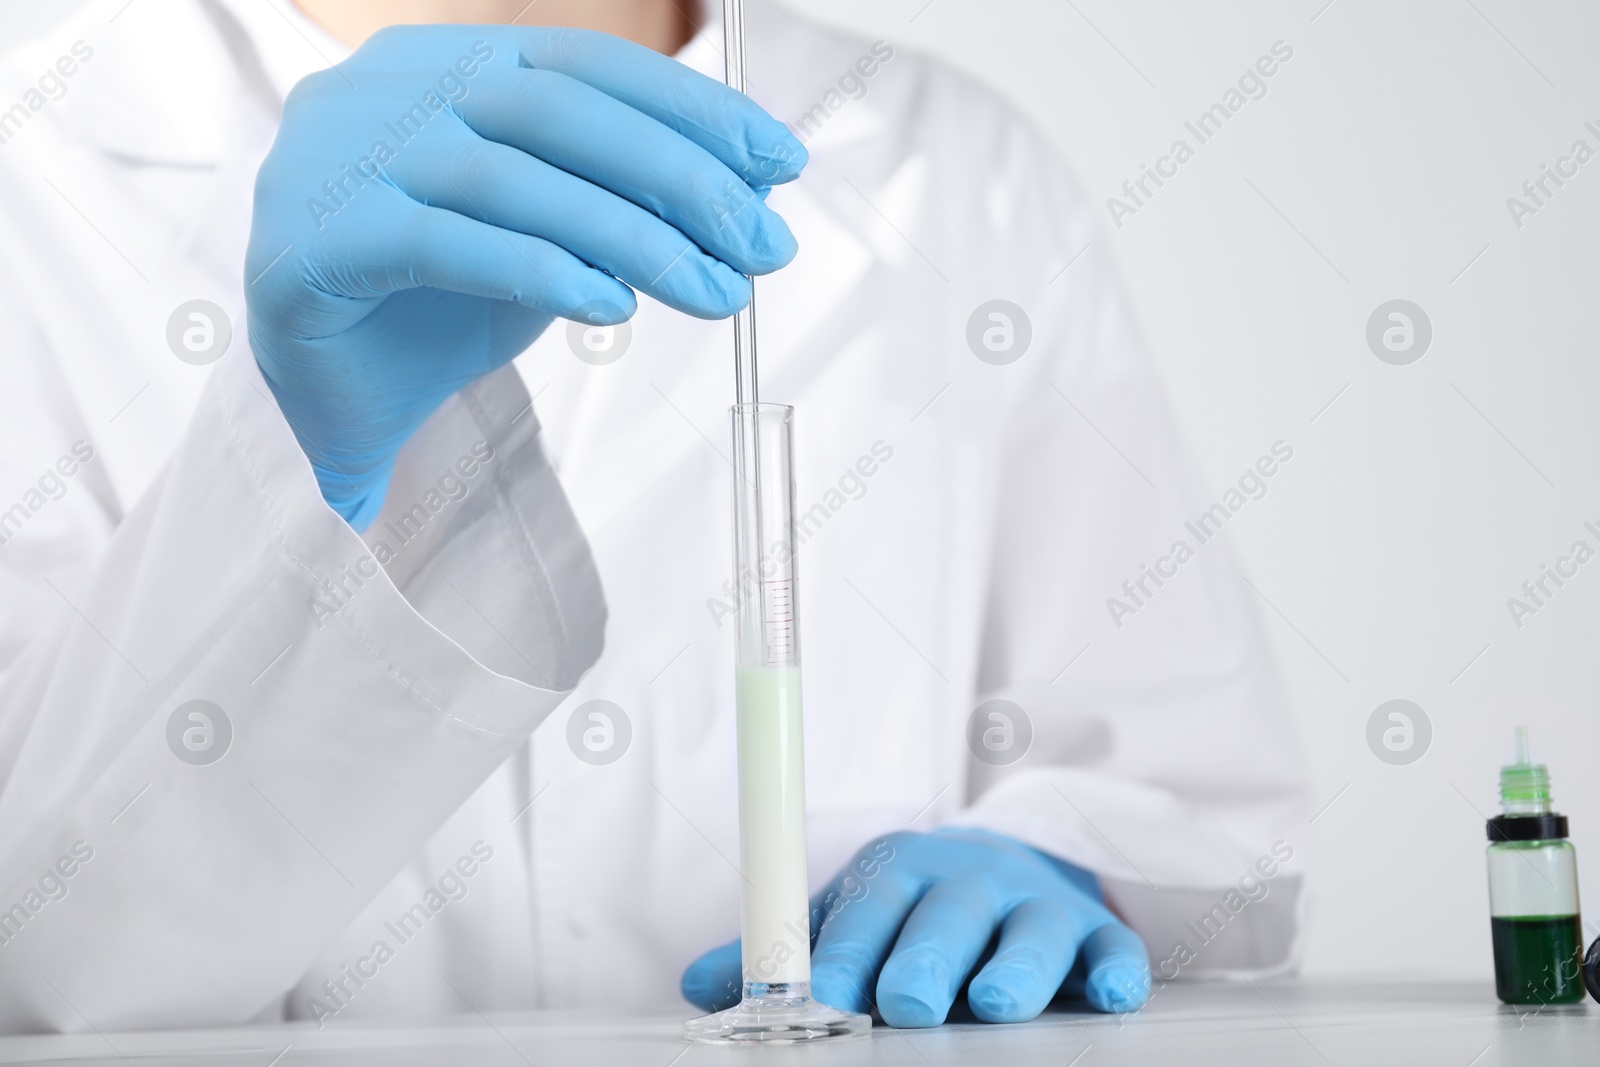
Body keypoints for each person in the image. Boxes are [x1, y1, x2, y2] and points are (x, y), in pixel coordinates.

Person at [0, 0, 1309, 1034]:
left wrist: (1062, 859)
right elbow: (40, 957)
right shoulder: (39, 162)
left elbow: (1183, 787)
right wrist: (295, 469)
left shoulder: (951, 168)